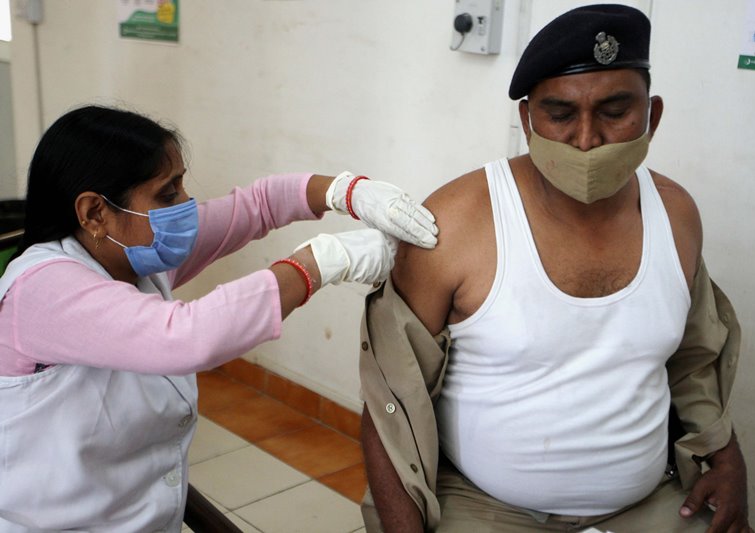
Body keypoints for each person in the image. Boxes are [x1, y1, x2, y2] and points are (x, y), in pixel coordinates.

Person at [359, 5, 752, 532]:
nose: (586, 139)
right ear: (526, 121)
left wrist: (726, 460)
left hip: (650, 503)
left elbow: (695, 361)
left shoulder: (675, 214)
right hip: (482, 507)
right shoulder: (456, 223)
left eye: (615, 111)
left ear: (652, 116)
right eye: (560, 115)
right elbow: (389, 403)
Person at [0, 104, 439, 531]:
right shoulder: (42, 289)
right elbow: (185, 337)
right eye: (168, 194)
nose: (186, 205)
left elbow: (259, 205)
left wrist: (347, 191)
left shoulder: (130, 256)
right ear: (95, 213)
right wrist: (320, 262)